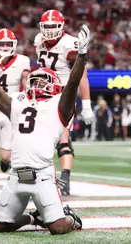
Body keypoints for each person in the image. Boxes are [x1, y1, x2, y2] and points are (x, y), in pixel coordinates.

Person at [0, 24, 90, 234]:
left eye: (43, 81)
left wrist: (82, 55)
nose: (38, 83)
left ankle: (70, 218)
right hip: (15, 175)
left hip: (42, 175)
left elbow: (74, 82)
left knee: (57, 227)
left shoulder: (59, 104)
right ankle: (33, 218)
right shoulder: (18, 102)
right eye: (36, 80)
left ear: (55, 87)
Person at [33, 10, 94, 195]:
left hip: (62, 97)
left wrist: (87, 104)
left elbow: (81, 74)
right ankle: (42, 176)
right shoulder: (38, 41)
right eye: (47, 26)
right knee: (40, 140)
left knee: (62, 139)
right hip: (42, 97)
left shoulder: (69, 44)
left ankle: (65, 179)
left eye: (53, 26)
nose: (50, 30)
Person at [0, 28, 30, 200]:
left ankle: (5, 163)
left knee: (7, 157)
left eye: (9, 44)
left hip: (11, 112)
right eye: (3, 44)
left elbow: (26, 83)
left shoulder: (22, 61)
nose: (6, 47)